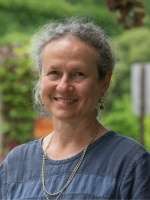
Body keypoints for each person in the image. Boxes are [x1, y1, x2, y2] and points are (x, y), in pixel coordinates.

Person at [0, 18, 150, 200]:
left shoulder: (130, 163)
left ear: (104, 82)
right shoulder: (16, 164)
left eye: (78, 74)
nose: (63, 86)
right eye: (54, 73)